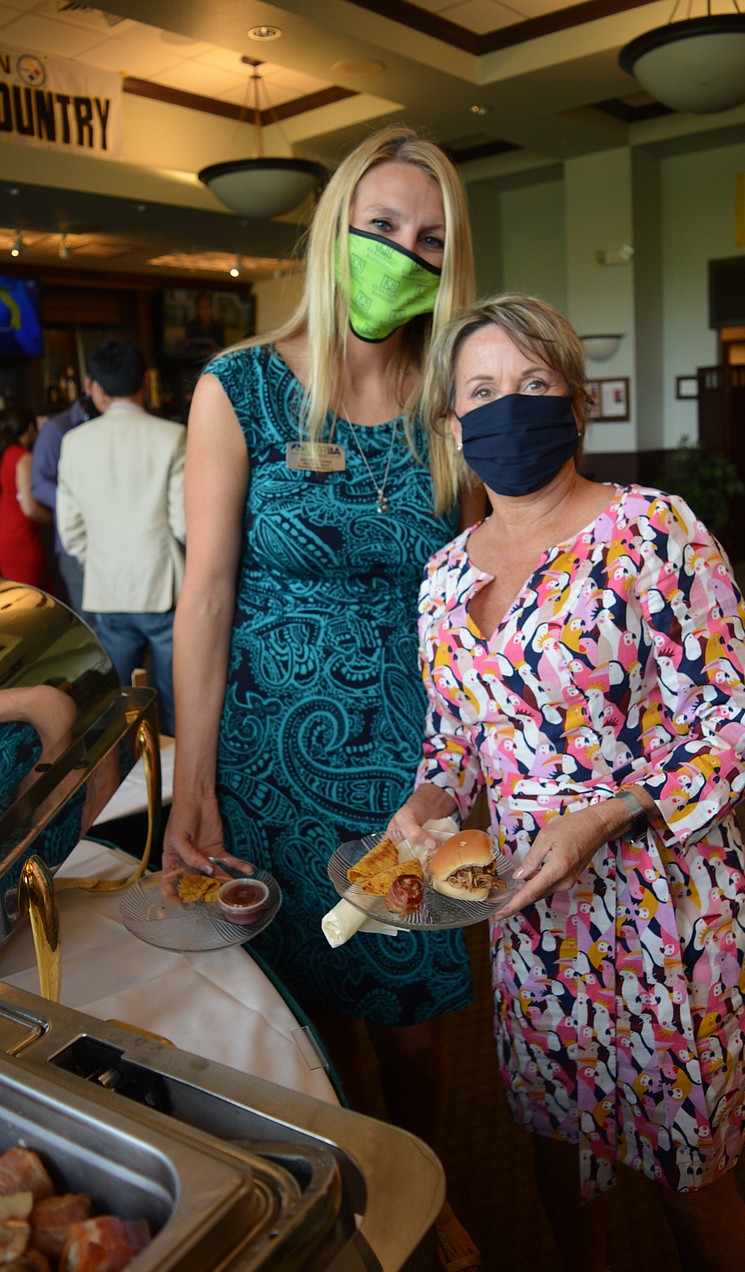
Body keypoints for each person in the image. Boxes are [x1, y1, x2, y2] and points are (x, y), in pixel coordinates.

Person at [388, 294, 745, 1272]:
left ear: (574, 401)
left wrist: (602, 817)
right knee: (558, 1147)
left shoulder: (655, 534)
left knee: (690, 1172)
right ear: (450, 422)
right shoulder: (443, 580)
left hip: (664, 907)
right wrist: (424, 811)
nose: (506, 407)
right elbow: (455, 748)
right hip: (534, 913)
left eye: (532, 384)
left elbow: (741, 725)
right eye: (481, 391)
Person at [162, 126, 485, 1267]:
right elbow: (201, 600)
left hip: (408, 772)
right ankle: (352, 1188)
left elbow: (483, 588)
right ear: (335, 228)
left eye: (432, 241)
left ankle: (427, 1189)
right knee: (308, 1005)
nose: (405, 254)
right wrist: (187, 782)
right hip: (262, 755)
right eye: (385, 227)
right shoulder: (239, 387)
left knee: (415, 1028)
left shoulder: (449, 401)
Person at [56, 339, 186, 736]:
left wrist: (98, 558)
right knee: (175, 699)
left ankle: (125, 784)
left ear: (95, 387)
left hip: (108, 586)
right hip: (163, 588)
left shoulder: (74, 442)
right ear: (145, 381)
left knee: (116, 702)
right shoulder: (173, 436)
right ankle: (170, 785)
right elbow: (184, 525)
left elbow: (71, 530)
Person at [30, 382, 99, 624]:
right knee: (90, 624)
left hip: (113, 543)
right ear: (91, 386)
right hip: (76, 542)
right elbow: (38, 484)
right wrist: (77, 500)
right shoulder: (58, 428)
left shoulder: (111, 424)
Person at [0, 405, 52, 589]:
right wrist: (54, 518)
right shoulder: (23, 458)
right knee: (34, 599)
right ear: (31, 427)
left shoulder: (7, 453)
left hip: (7, 534)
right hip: (22, 538)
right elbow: (29, 508)